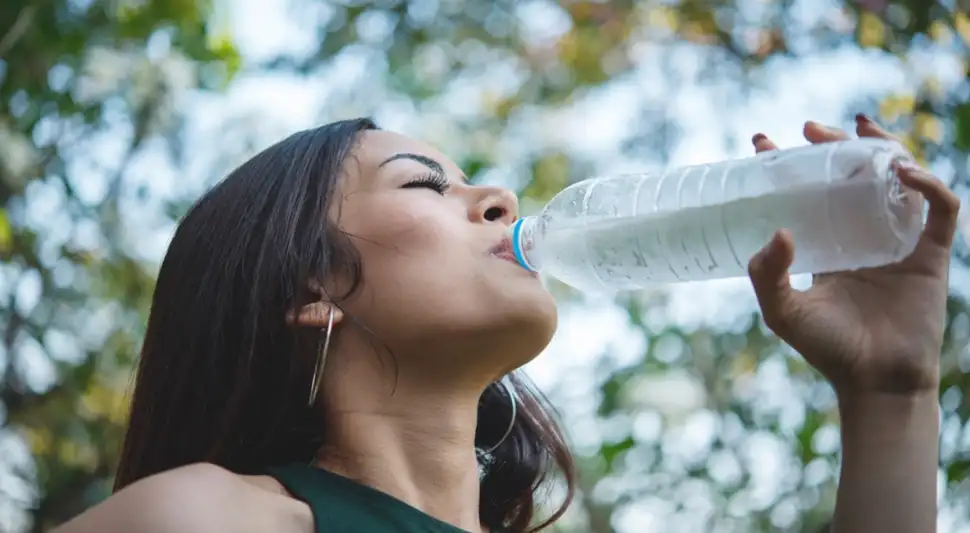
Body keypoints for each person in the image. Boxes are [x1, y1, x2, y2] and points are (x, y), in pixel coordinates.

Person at [52, 114, 957, 533]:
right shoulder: (209, 517)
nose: (499, 197)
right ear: (314, 287)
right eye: (424, 182)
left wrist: (891, 393)